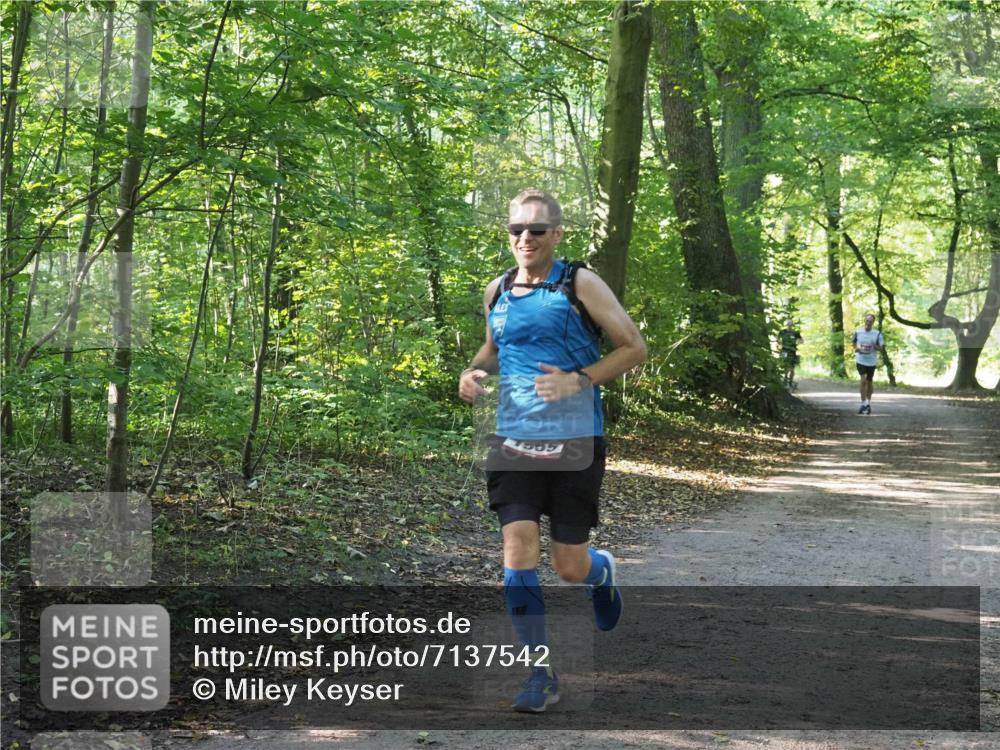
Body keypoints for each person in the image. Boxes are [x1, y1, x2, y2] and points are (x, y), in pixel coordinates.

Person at [458, 189, 647, 712]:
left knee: (567, 565)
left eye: (536, 230)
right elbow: (496, 348)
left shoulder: (579, 282)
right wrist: (473, 372)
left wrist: (578, 380)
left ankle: (599, 571)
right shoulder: (497, 289)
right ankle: (539, 671)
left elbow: (633, 347)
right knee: (518, 549)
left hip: (574, 439)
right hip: (512, 439)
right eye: (516, 229)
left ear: (556, 236)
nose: (524, 238)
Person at [851, 313, 884, 414]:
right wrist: (856, 349)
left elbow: (882, 348)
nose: (868, 322)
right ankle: (863, 402)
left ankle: (867, 403)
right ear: (864, 321)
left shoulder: (877, 334)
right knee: (863, 380)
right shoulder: (858, 332)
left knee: (869, 382)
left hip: (871, 361)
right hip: (861, 360)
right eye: (867, 320)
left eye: (870, 321)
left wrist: (875, 346)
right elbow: (853, 343)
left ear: (873, 322)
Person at [779, 320, 803, 389]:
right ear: (786, 325)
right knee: (785, 367)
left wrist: (797, 342)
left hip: (792, 352)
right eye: (788, 325)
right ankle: (785, 381)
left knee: (792, 369)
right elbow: (777, 339)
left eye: (790, 324)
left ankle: (790, 382)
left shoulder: (795, 333)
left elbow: (801, 340)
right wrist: (780, 344)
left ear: (792, 325)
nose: (789, 326)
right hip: (784, 351)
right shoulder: (782, 332)